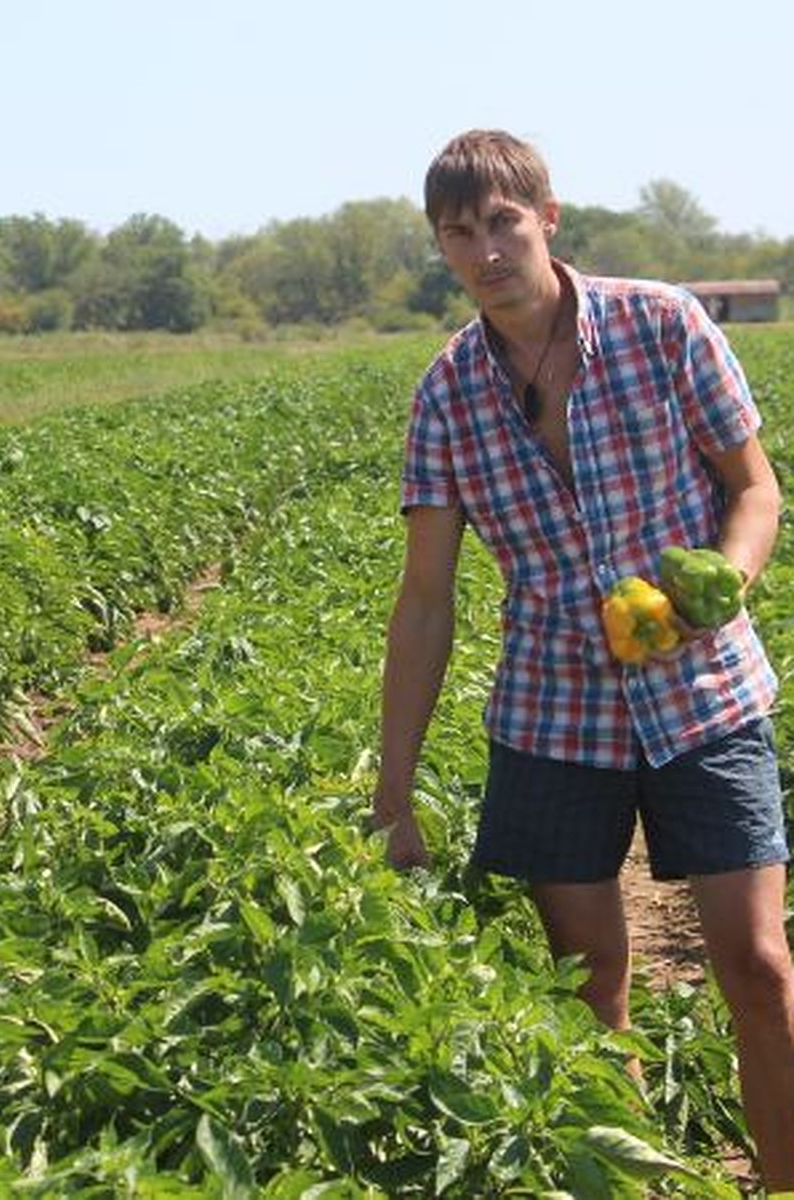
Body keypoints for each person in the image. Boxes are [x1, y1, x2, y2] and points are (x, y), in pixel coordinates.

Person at [372, 130, 794, 1190]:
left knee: (759, 967)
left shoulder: (662, 325)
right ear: (441, 247)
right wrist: (393, 788)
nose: (484, 252)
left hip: (704, 695)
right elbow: (426, 602)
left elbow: (755, 488)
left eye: (502, 224)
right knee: (587, 980)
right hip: (553, 717)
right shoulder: (448, 396)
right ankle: (632, 1179)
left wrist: (721, 588)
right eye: (457, 234)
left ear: (549, 219)